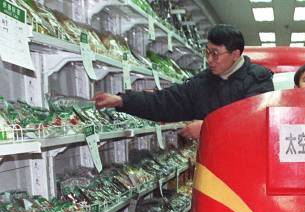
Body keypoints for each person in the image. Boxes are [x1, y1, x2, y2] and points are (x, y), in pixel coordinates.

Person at [94, 24, 274, 140]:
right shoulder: (203, 82)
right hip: (211, 170)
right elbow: (165, 101)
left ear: (235, 54)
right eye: (207, 52)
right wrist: (122, 100)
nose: (209, 60)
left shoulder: (258, 80)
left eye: (215, 54)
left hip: (246, 167)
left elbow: (254, 122)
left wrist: (207, 128)